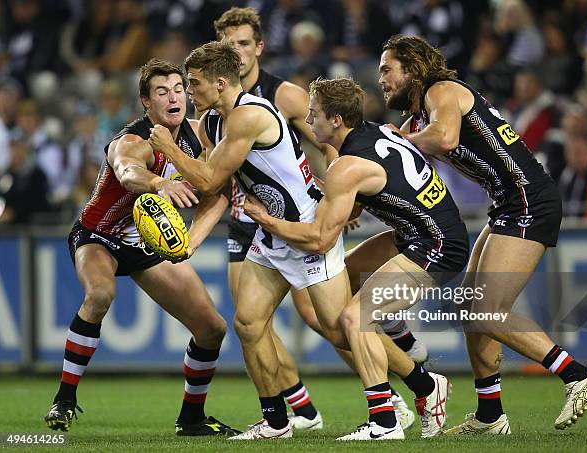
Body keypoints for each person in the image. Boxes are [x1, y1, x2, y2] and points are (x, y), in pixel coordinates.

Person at [148, 41, 438, 440]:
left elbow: (210, 179)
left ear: (219, 82)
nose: (188, 91)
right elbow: (212, 183)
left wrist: (166, 149)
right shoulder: (212, 121)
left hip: (305, 230)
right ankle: (275, 421)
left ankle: (425, 385)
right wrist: (188, 230)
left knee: (341, 330)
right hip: (270, 232)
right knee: (248, 324)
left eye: (194, 84)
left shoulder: (249, 115)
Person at [379, 34, 587, 433]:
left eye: (387, 70)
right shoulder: (415, 121)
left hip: (528, 199)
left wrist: (403, 141)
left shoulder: (441, 91)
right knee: (471, 310)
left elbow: (446, 137)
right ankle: (489, 414)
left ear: (412, 69)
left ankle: (577, 374)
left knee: (486, 308)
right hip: (507, 204)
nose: (381, 79)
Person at [212, 6, 422, 430]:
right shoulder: (215, 108)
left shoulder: (285, 95)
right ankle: (298, 409)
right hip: (246, 221)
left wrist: (339, 199)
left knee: (327, 320)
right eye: (227, 45)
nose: (235, 52)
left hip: (298, 219)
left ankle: (414, 384)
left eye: (242, 43)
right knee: (251, 322)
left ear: (259, 47)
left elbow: (329, 142)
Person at [243, 77, 469, 440]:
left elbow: (318, 240)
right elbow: (378, 186)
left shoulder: (346, 166)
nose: (308, 120)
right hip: (419, 232)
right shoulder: (377, 133)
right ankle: (417, 369)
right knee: (341, 277)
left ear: (335, 120)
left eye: (314, 114)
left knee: (354, 316)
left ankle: (385, 421)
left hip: (436, 244)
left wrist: (268, 220)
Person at [44, 58, 239, 437]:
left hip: (143, 242)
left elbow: (218, 194)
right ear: (145, 103)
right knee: (100, 294)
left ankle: (192, 419)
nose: (174, 97)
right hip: (97, 235)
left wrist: (192, 241)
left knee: (212, 328)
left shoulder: (198, 135)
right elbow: (127, 171)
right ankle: (64, 399)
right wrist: (157, 184)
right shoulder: (133, 140)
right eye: (162, 92)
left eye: (179, 89)